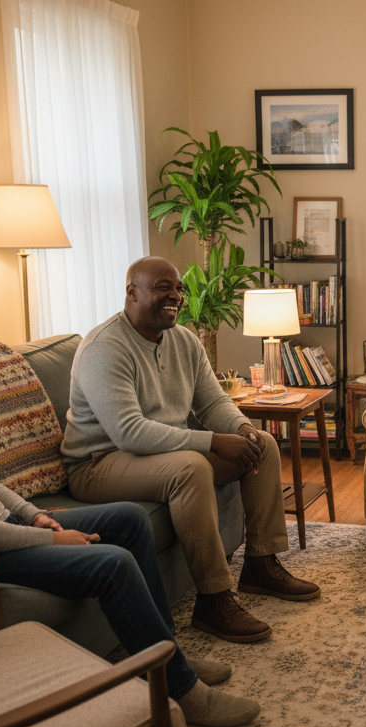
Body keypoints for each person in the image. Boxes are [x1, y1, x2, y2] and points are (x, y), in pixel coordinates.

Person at [0, 313, 257, 727]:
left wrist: (34, 515)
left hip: (9, 523)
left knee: (129, 519)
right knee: (112, 562)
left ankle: (161, 652)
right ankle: (181, 690)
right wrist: (51, 541)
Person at [62, 256, 320, 645]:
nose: (176, 296)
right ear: (131, 292)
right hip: (99, 463)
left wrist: (242, 428)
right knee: (191, 467)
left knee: (262, 445)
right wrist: (214, 442)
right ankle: (213, 600)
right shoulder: (104, 348)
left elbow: (212, 402)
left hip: (157, 453)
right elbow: (130, 432)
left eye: (179, 288)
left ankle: (260, 564)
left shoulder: (183, 340)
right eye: (163, 287)